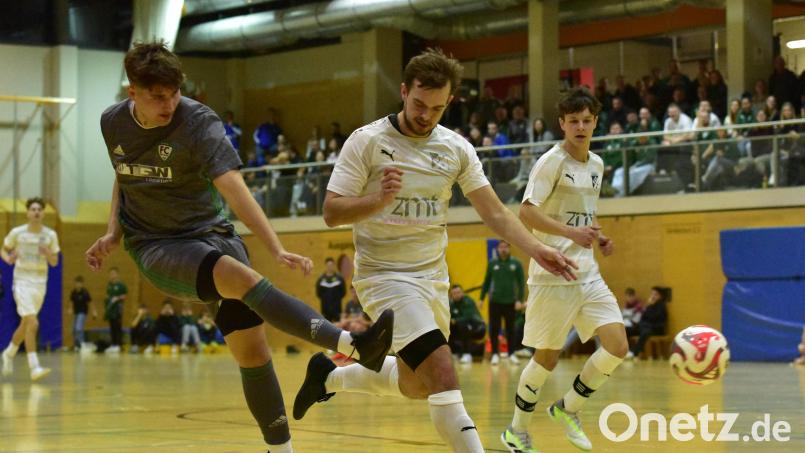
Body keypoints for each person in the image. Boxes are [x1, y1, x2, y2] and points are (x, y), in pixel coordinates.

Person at [84, 41, 393, 453]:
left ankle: (280, 450)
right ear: (132, 93)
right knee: (235, 274)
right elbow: (124, 177)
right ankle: (353, 345)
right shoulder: (112, 123)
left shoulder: (197, 121)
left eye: (175, 93)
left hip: (212, 235)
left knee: (253, 351)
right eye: (158, 96)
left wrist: (276, 246)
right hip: (156, 244)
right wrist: (113, 233)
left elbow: (234, 189)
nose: (169, 104)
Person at [293, 48, 576, 453]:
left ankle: (327, 377)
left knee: (417, 384)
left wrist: (537, 248)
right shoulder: (368, 141)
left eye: (437, 108)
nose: (426, 115)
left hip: (432, 279)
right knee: (443, 373)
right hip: (384, 276)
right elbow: (331, 211)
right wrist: (377, 199)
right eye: (419, 104)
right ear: (404, 92)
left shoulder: (456, 148)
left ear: (450, 102)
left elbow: (494, 211)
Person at [500, 87, 629, 453]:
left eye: (587, 120)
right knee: (548, 357)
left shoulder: (598, 165)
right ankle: (516, 430)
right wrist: (571, 233)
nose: (581, 126)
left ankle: (569, 407)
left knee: (617, 346)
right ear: (562, 124)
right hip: (552, 272)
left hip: (587, 272)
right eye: (574, 121)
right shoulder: (551, 162)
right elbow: (527, 211)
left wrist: (598, 236)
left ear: (595, 122)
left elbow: (586, 215)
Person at [1, 197, 60, 381]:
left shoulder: (50, 235)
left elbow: (54, 261)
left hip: (40, 282)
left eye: (39, 209)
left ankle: (9, 353)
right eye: (33, 209)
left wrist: (48, 253)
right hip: (22, 281)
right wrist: (9, 259)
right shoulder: (17, 233)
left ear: (43, 213)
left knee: (26, 323)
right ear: (27, 213)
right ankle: (34, 367)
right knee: (33, 322)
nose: (36, 212)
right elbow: (4, 249)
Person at [480, 240, 525, 365]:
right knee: (494, 329)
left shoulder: (516, 263)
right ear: (497, 249)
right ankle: (495, 354)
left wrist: (519, 301)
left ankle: (511, 354)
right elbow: (487, 281)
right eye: (501, 247)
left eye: (506, 246)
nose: (503, 249)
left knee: (511, 329)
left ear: (509, 248)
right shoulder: (492, 263)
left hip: (511, 302)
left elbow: (521, 284)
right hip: (495, 301)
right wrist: (481, 298)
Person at [625, 286, 670, 359]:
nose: (653, 296)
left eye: (655, 294)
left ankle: (634, 352)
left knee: (645, 332)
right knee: (626, 330)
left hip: (656, 328)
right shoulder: (650, 305)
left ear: (660, 296)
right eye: (652, 294)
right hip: (645, 327)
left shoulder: (661, 305)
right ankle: (626, 350)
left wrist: (650, 306)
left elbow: (654, 318)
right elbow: (643, 317)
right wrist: (648, 306)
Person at [448, 284, 485, 364]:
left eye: (458, 292)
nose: (457, 295)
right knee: (448, 327)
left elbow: (468, 317)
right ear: (451, 295)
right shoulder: (451, 304)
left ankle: (467, 354)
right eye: (454, 293)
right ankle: (453, 353)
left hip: (478, 327)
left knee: (463, 325)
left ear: (462, 293)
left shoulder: (468, 301)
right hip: (461, 327)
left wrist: (455, 320)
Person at [103, 267, 127, 353]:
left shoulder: (121, 285)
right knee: (112, 326)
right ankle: (113, 345)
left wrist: (117, 298)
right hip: (111, 309)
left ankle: (119, 345)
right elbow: (107, 295)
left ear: (117, 274)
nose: (112, 275)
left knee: (118, 327)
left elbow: (125, 296)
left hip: (118, 309)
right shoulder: (109, 285)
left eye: (114, 273)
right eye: (111, 274)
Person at [68, 275, 96, 351]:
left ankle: (82, 344)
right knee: (73, 329)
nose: (78, 285)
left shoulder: (85, 292)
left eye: (79, 283)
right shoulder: (73, 292)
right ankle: (77, 345)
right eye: (76, 283)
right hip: (76, 313)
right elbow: (71, 301)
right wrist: (70, 309)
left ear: (82, 284)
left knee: (78, 328)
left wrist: (94, 311)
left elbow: (90, 302)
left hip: (82, 313)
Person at [315, 257, 346, 322]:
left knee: (338, 327)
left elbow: (343, 292)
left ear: (334, 265)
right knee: (327, 327)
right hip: (325, 309)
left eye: (331, 265)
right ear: (326, 266)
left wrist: (336, 299)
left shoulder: (339, 278)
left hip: (337, 308)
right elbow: (318, 294)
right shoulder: (321, 279)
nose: (330, 267)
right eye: (328, 265)